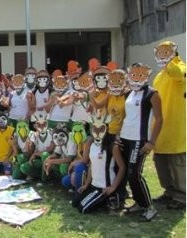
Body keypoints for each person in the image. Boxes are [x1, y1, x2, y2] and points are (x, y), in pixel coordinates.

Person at [120, 63, 162, 221]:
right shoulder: (129, 92)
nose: (136, 77)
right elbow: (126, 116)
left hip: (140, 139)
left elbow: (159, 119)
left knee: (134, 173)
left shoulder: (152, 93)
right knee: (127, 173)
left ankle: (150, 207)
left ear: (146, 75)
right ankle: (139, 203)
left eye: (140, 74)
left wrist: (152, 142)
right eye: (133, 74)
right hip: (125, 138)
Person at [151, 41, 186, 209]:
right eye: (159, 52)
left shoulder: (180, 68)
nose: (162, 56)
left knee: (176, 162)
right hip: (160, 126)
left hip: (175, 125)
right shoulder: (159, 75)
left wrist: (172, 60)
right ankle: (169, 192)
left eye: (166, 52)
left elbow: (178, 73)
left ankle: (182, 196)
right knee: (161, 161)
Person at [72, 111, 126, 214]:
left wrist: (113, 187)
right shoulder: (91, 144)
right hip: (94, 185)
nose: (97, 132)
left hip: (105, 187)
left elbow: (122, 167)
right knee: (75, 203)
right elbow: (91, 165)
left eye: (101, 129)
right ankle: (101, 201)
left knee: (83, 209)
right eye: (94, 129)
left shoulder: (112, 146)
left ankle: (110, 198)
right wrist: (86, 184)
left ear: (106, 129)